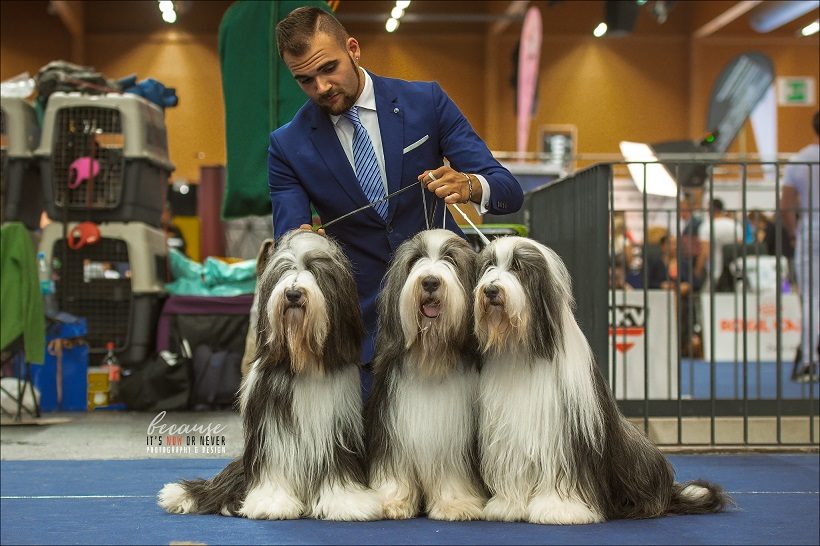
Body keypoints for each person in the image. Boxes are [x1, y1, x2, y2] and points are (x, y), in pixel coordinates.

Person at [268, 7, 523, 380]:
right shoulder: (286, 145)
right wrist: (301, 241)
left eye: (328, 69)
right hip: (362, 336)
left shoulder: (427, 102)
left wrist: (469, 185)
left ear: (353, 49)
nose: (321, 87)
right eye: (305, 80)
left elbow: (508, 190)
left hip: (450, 326)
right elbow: (289, 242)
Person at [782, 111, 819, 382]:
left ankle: (810, 360)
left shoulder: (800, 159)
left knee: (811, 297)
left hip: (812, 229)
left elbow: (786, 205)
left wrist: (795, 233)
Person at [697, 198, 742, 292]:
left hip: (715, 270)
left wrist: (698, 269)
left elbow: (705, 252)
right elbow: (740, 247)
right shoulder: (735, 225)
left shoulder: (706, 226)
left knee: (708, 299)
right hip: (734, 270)